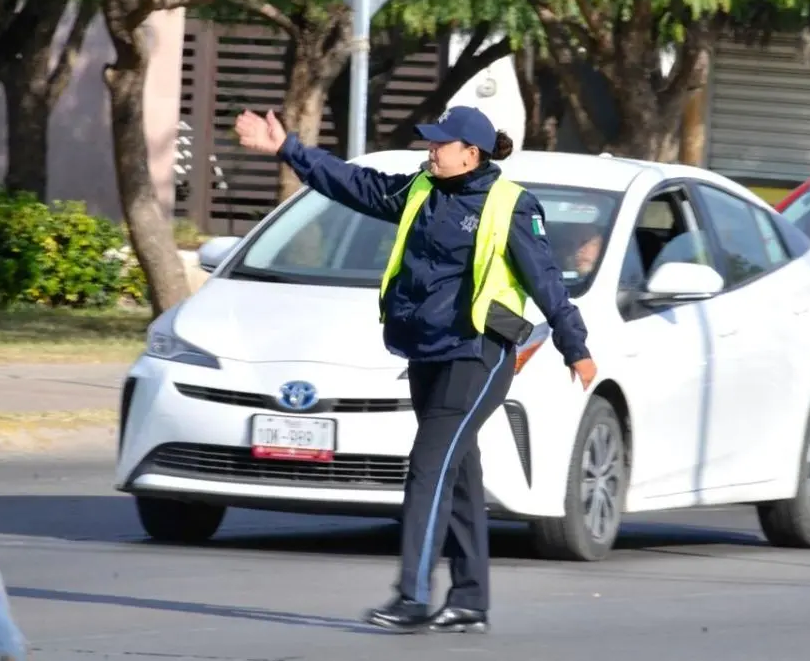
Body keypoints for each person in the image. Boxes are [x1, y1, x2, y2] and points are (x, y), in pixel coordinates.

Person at [233, 105, 597, 634]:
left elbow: (547, 282)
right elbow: (354, 185)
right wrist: (289, 149)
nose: (430, 151)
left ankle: (413, 596)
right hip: (428, 350)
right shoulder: (422, 189)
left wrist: (575, 346)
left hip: (480, 355)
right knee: (460, 474)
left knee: (428, 466)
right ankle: (470, 599)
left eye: (440, 145)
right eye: (430, 143)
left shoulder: (510, 206)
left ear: (470, 154)